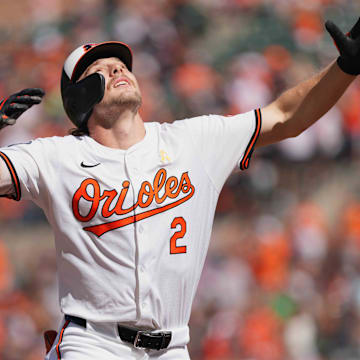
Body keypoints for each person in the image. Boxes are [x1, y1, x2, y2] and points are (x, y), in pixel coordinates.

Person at [0, 18, 359, 360]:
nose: (117, 69)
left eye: (121, 65)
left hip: (173, 346)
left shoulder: (193, 141)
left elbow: (284, 116)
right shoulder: (56, 157)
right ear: (79, 99)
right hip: (94, 343)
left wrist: (344, 69)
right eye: (100, 70)